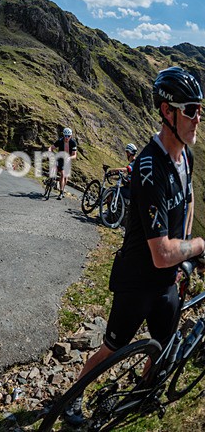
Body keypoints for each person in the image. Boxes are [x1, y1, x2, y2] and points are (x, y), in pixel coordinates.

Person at [62, 67, 205, 425]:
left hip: (167, 279)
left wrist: (184, 250)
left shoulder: (185, 156)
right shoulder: (148, 167)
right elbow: (160, 254)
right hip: (138, 279)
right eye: (190, 110)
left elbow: (187, 203)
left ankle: (143, 391)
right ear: (167, 111)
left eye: (200, 110)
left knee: (164, 342)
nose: (197, 118)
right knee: (112, 346)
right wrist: (199, 246)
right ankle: (72, 399)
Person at [49, 127, 77, 199]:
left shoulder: (73, 143)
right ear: (63, 135)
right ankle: (60, 192)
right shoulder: (60, 141)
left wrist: (69, 158)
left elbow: (74, 155)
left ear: (71, 136)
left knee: (66, 179)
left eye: (68, 136)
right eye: (65, 136)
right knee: (62, 173)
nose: (67, 137)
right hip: (60, 158)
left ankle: (62, 189)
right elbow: (51, 147)